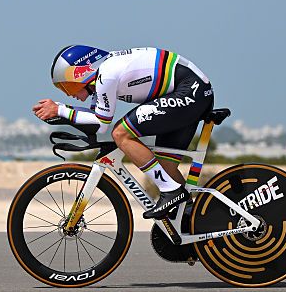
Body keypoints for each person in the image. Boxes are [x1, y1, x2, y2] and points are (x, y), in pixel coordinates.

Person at [33, 45, 214, 220]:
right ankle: (190, 218)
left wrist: (60, 110)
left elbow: (101, 124)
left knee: (121, 134)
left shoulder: (106, 76)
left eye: (68, 86)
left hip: (190, 91)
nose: (68, 94)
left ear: (83, 74)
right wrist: (62, 110)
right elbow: (94, 119)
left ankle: (170, 190)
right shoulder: (102, 75)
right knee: (166, 168)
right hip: (189, 92)